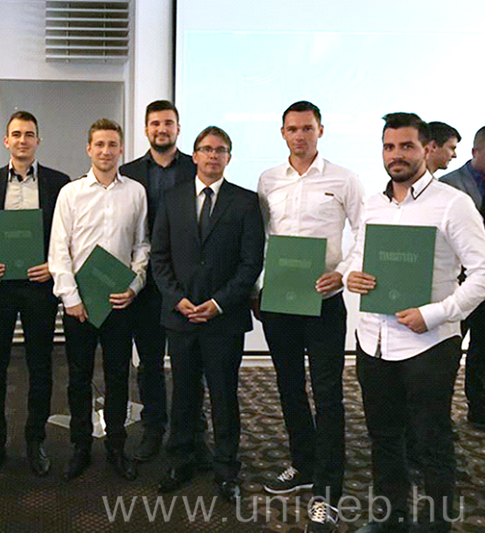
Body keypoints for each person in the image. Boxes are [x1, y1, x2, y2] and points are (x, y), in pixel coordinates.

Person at [348, 113, 485, 533]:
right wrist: (351, 274)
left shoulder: (453, 204)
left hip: (429, 345)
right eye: (389, 147)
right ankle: (391, 518)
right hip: (373, 341)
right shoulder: (372, 204)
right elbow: (357, 256)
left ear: (426, 149)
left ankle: (436, 524)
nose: (396, 155)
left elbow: (482, 273)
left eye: (406, 146)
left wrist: (435, 313)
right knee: (384, 439)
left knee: (431, 443)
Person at [256, 101, 364, 531]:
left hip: (324, 300)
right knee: (288, 387)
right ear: (282, 133)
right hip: (281, 300)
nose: (299, 136)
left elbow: (364, 232)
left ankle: (328, 488)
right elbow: (261, 238)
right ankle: (302, 463)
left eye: (307, 128)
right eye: (292, 129)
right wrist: (259, 287)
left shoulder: (344, 179)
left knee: (328, 393)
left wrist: (343, 273)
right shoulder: (268, 180)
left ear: (321, 130)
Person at [152, 126, 264, 501]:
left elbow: (251, 264)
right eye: (206, 149)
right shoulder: (172, 199)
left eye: (220, 150)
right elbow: (159, 258)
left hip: (224, 319)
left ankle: (226, 468)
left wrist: (217, 304)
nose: (213, 155)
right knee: (183, 394)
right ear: (195, 155)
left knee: (224, 396)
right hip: (181, 316)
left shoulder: (246, 202)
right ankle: (180, 460)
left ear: (229, 157)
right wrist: (177, 299)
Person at [48, 118, 149, 481]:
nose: (106, 151)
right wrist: (70, 298)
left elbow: (142, 245)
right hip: (80, 305)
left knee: (119, 377)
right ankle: (80, 447)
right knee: (78, 377)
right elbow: (58, 250)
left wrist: (134, 286)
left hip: (120, 302)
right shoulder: (70, 193)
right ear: (89, 149)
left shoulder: (136, 192)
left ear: (121, 149)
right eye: (100, 144)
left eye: (112, 144)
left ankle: (117, 447)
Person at [0, 111, 69, 477]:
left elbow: (64, 234)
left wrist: (53, 266)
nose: (22, 140)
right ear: (6, 141)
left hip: (39, 286)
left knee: (40, 366)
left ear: (38, 141)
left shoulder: (58, 182)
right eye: (16, 134)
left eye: (29, 134)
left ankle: (35, 440)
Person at [119, 100, 209, 464]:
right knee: (150, 362)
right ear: (146, 129)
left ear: (178, 128)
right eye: (155, 123)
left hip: (187, 282)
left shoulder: (195, 167)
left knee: (191, 364)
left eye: (168, 123)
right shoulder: (128, 172)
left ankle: (195, 431)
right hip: (145, 283)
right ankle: (153, 427)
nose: (162, 129)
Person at [439, 125, 485, 429]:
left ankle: (478, 411)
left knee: (482, 351)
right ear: (475, 152)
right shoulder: (448, 185)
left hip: (484, 282)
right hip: (455, 283)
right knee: (447, 354)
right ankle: (439, 417)